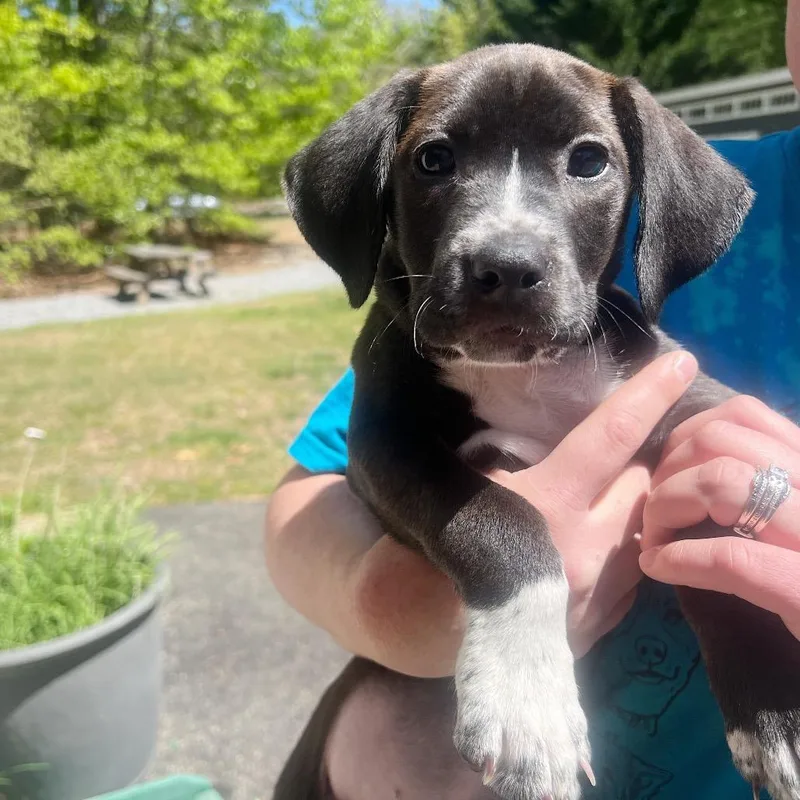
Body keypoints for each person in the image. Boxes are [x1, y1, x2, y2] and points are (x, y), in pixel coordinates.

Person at [266, 2, 800, 795]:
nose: (507, 242)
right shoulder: (409, 353)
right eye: (437, 162)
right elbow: (359, 466)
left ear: (652, 214)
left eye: (587, 163)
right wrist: (420, 605)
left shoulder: (647, 326)